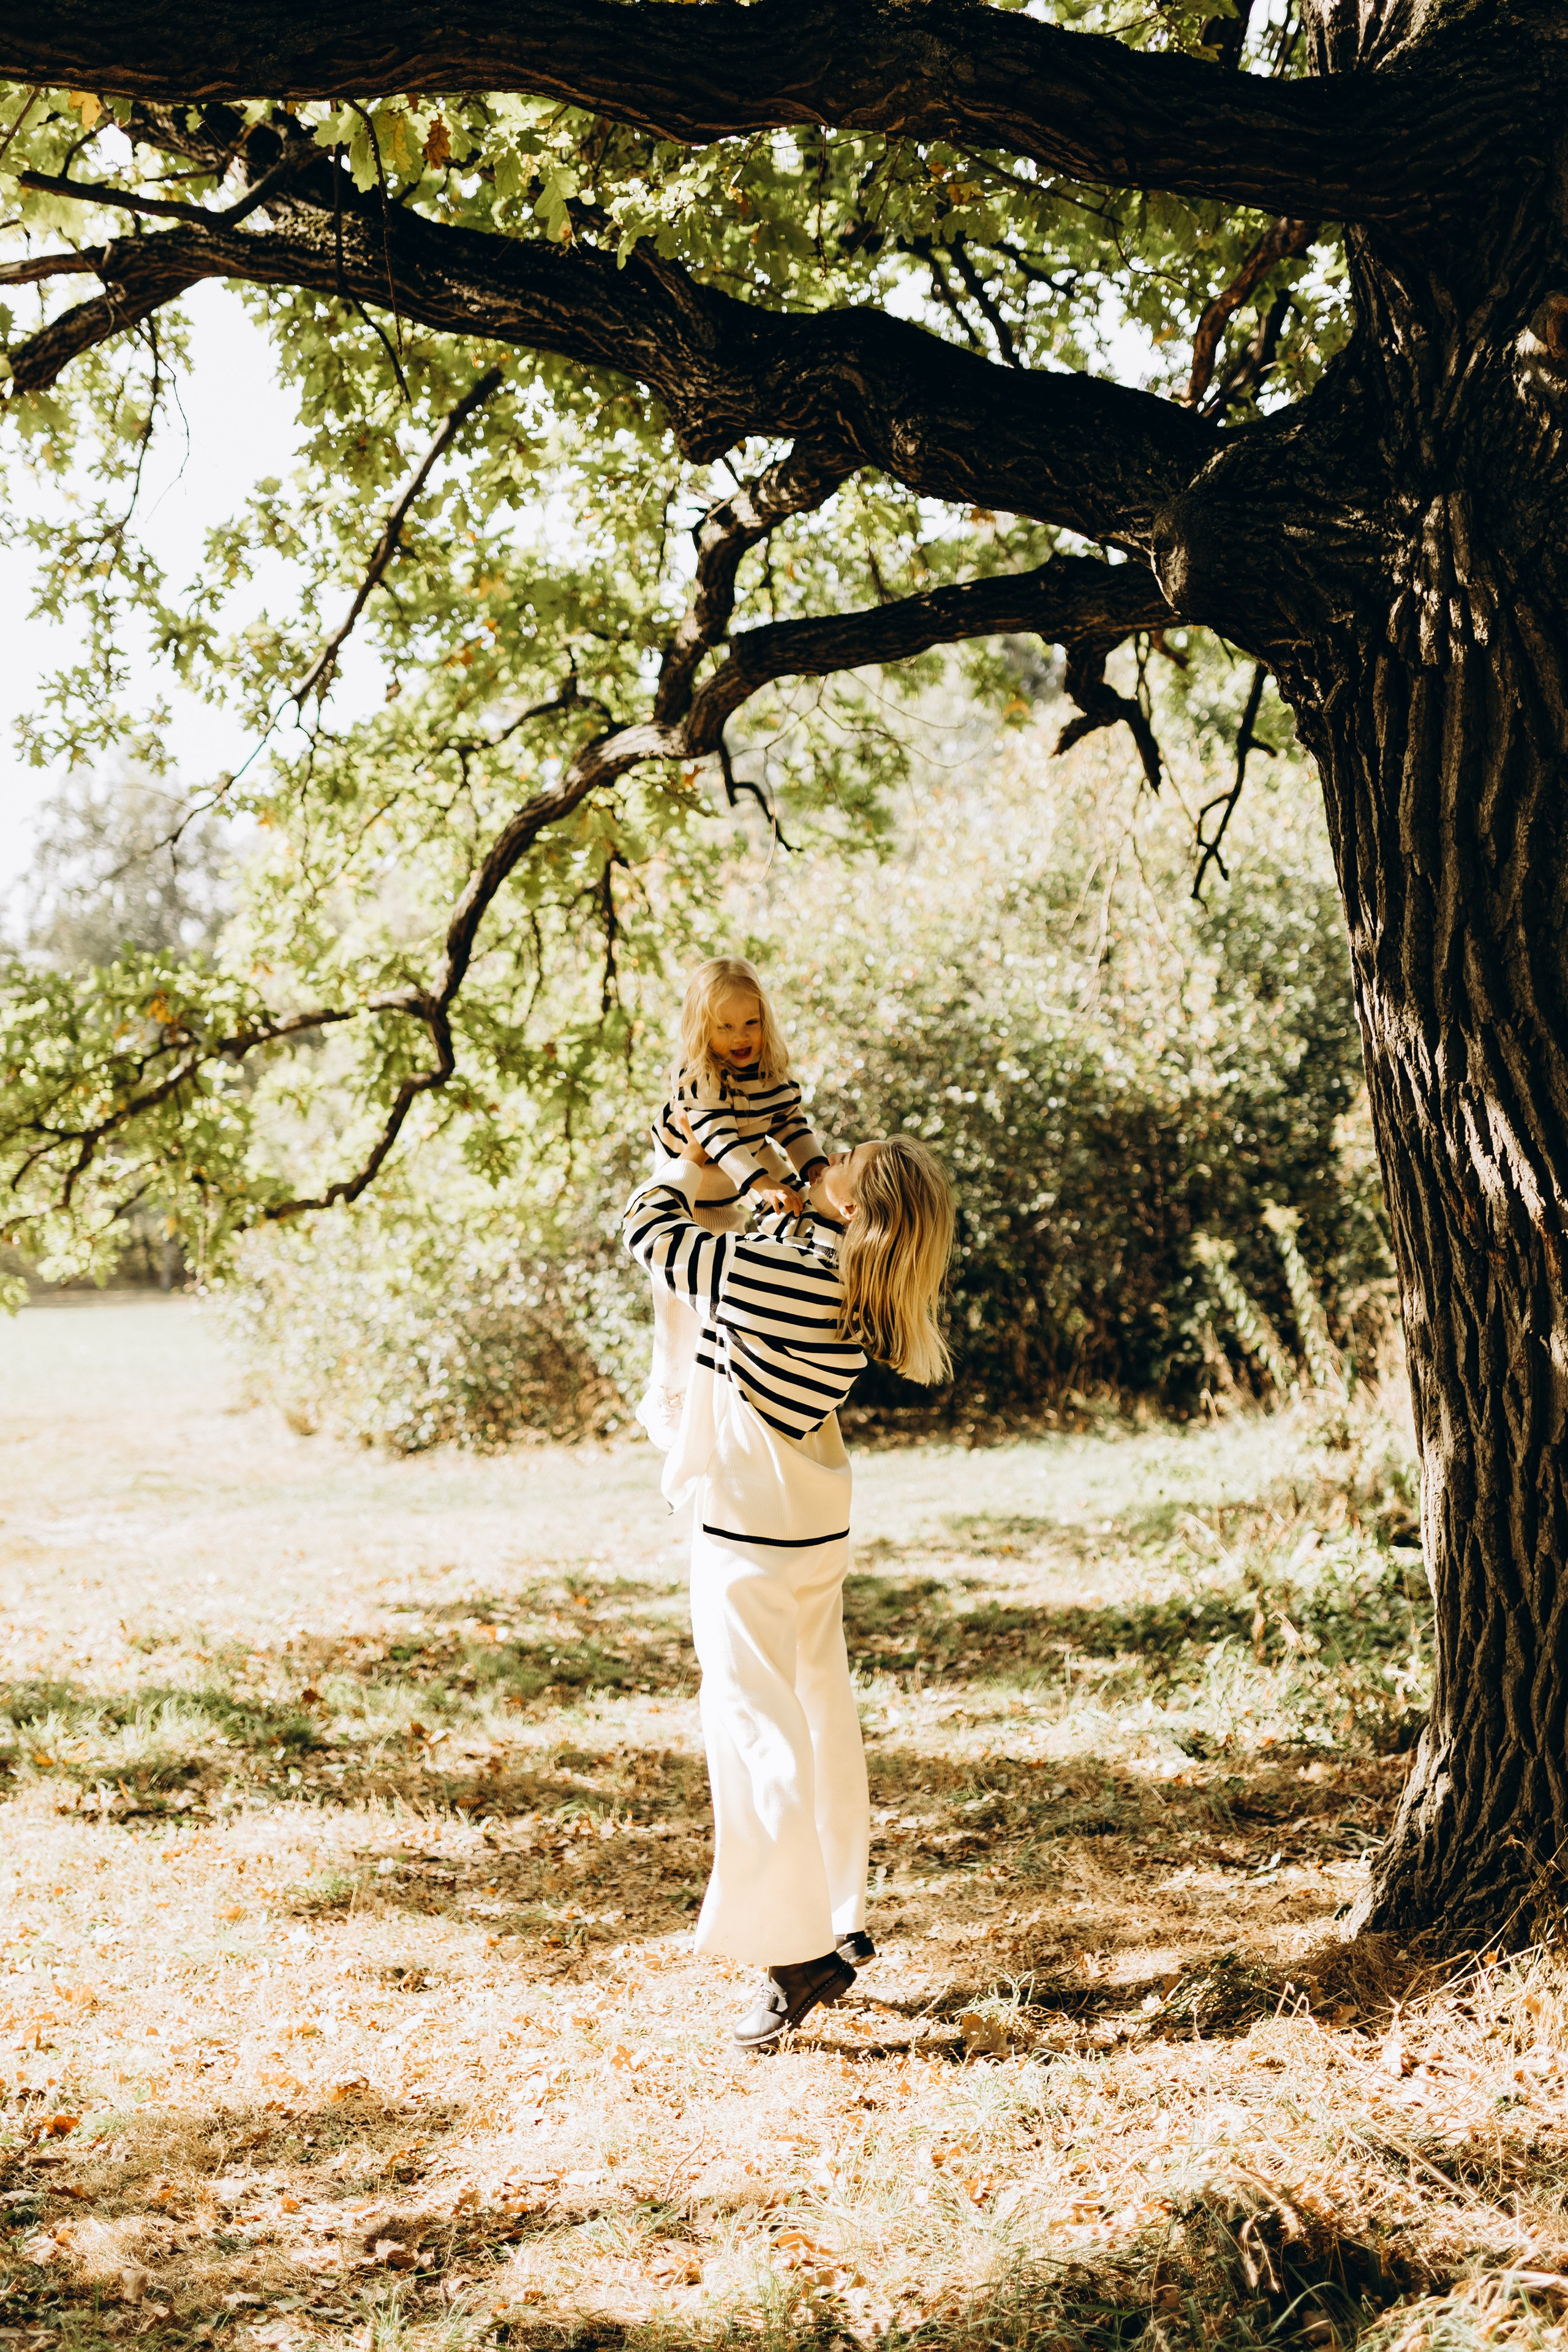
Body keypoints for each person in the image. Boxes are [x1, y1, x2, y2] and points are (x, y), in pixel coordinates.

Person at [624, 1125, 955, 2051]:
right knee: (819, 1720)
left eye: (843, 1153)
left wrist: (682, 1158)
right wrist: (786, 1195)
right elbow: (766, 1251)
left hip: (749, 1538)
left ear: (852, 1202)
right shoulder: (853, 1284)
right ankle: (839, 1910)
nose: (829, 1150)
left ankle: (797, 1952)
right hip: (810, 1532)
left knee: (753, 1732)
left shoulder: (791, 1273)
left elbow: (650, 1232)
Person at [636, 956, 831, 1452]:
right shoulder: (698, 1076)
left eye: (751, 1023)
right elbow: (718, 1141)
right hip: (691, 1190)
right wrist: (763, 1184)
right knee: (676, 1302)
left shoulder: (773, 1074)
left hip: (734, 1192)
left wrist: (815, 1169)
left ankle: (713, 1396)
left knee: (722, 1304)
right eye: (725, 1027)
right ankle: (666, 1391)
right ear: (703, 1029)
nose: (740, 1037)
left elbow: (790, 1125)